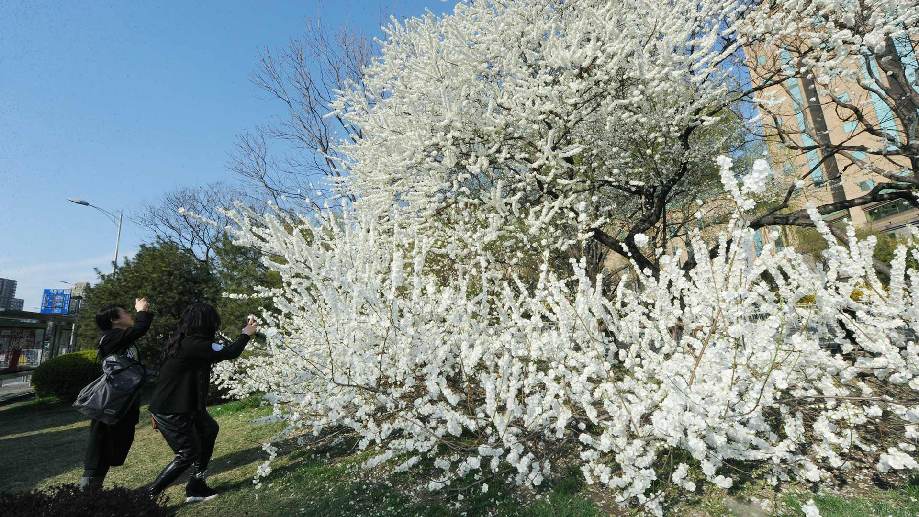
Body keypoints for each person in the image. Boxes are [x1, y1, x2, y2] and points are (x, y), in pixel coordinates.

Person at [147, 303, 258, 502]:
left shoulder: (187, 341)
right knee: (187, 453)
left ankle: (196, 486)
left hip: (186, 406)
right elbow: (230, 352)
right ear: (206, 323)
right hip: (171, 408)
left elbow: (220, 351)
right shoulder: (194, 344)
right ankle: (148, 496)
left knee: (209, 429)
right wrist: (246, 334)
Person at [80, 297, 153, 489]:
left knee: (116, 443)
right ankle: (87, 491)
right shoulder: (111, 337)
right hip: (109, 402)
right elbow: (140, 329)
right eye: (125, 312)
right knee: (101, 444)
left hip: (123, 401)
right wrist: (142, 311)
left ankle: (93, 489)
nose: (130, 315)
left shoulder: (122, 339)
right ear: (114, 319)